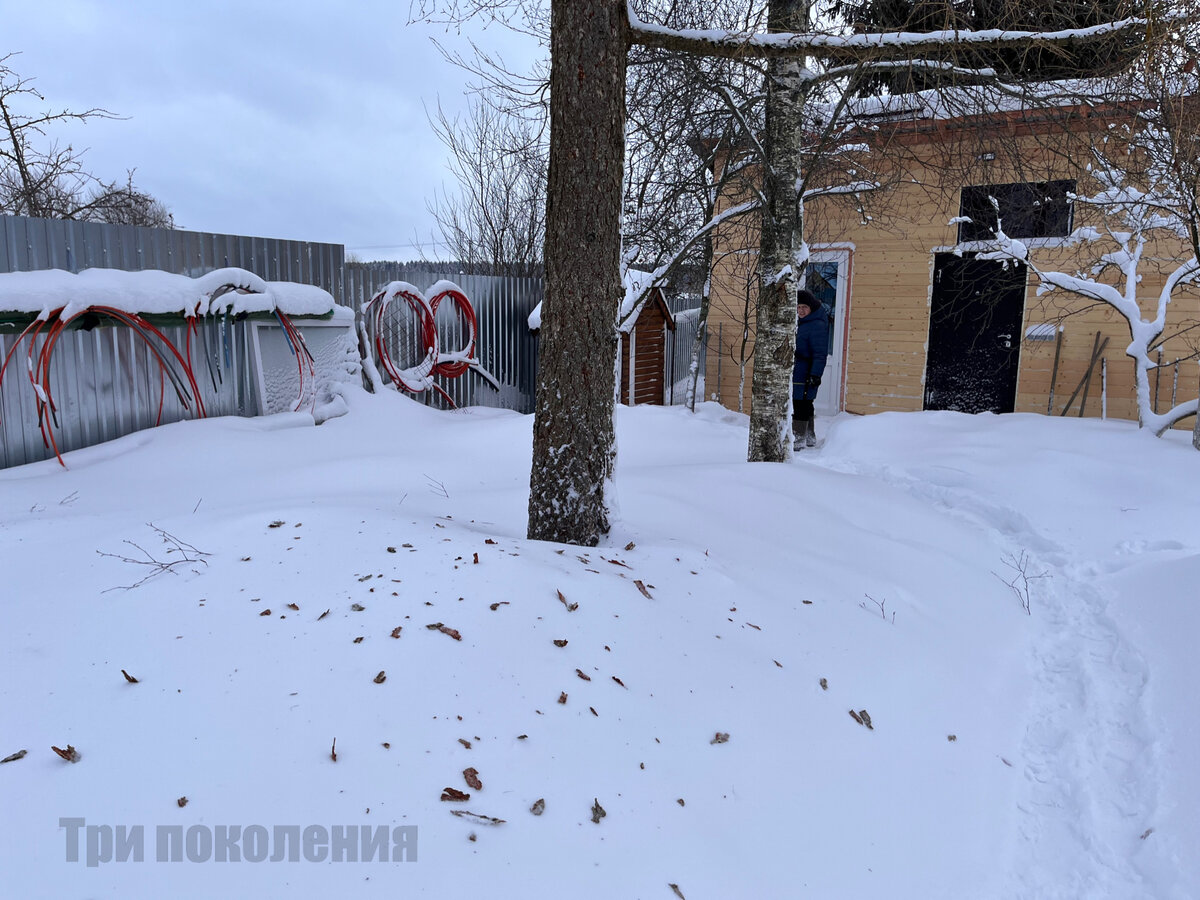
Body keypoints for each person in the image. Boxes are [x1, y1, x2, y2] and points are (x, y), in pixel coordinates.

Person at [792, 287, 829, 449]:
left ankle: (799, 438)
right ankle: (808, 436)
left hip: (806, 371)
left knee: (801, 404)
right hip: (798, 370)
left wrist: (815, 374)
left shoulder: (816, 325)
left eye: (804, 307)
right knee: (804, 403)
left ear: (811, 308)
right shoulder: (801, 323)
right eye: (798, 307)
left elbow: (820, 353)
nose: (801, 310)